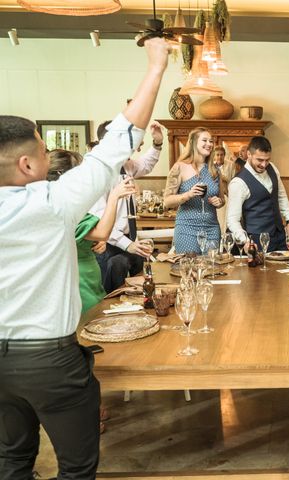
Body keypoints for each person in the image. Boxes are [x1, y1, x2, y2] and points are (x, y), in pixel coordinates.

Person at [0, 37, 169, 480]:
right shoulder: (50, 202)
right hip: (48, 360)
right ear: (26, 166)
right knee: (76, 469)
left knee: (12, 462)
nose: (45, 154)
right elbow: (118, 141)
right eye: (40, 148)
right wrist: (156, 65)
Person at [47, 150, 136, 313]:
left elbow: (82, 235)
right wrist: (114, 197)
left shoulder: (64, 203)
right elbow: (102, 231)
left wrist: (93, 240)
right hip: (79, 279)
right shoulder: (62, 207)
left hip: (89, 276)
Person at [90, 120, 164, 293]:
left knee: (133, 291)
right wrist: (126, 244)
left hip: (128, 240)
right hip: (107, 244)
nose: (134, 148)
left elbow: (145, 164)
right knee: (111, 296)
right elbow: (99, 219)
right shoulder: (99, 172)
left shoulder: (125, 165)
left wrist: (158, 143)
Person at [163, 128, 226, 254]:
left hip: (212, 228)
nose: (209, 144)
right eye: (204, 140)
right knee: (189, 269)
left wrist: (219, 202)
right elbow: (167, 202)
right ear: (193, 143)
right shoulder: (179, 167)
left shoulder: (215, 170)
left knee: (211, 269)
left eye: (211, 141)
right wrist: (188, 195)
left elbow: (222, 199)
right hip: (187, 228)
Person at [227, 136, 289, 251]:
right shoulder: (238, 182)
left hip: (280, 235)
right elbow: (232, 219)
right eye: (260, 160)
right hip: (257, 239)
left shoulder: (272, 168)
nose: (264, 165)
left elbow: (281, 196)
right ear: (249, 154)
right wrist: (245, 241)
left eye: (267, 160)